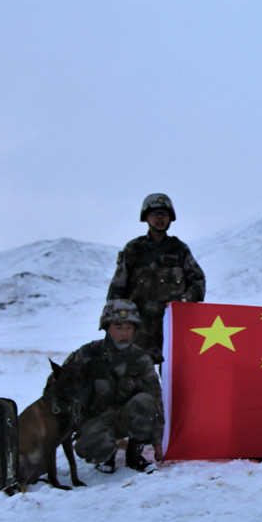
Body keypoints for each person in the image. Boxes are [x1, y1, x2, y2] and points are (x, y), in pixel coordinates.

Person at [61, 299, 166, 474]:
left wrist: (157, 442)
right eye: (118, 327)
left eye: (129, 327)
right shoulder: (87, 354)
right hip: (95, 420)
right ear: (107, 328)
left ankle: (135, 455)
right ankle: (107, 454)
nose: (124, 333)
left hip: (125, 418)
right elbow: (60, 384)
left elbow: (155, 398)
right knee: (95, 448)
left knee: (146, 401)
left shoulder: (141, 358)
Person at [107, 193, 206, 363]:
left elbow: (198, 282)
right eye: (154, 214)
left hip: (172, 326)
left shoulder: (179, 249)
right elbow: (118, 288)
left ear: (170, 218)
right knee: (136, 376)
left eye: (164, 214)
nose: (160, 218)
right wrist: (115, 323)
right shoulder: (134, 249)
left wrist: (181, 301)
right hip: (139, 328)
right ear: (146, 217)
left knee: (175, 375)